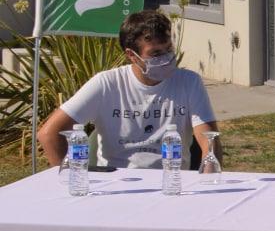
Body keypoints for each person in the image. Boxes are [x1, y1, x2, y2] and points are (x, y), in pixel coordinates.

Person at [37, 10, 220, 169]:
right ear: (131, 55)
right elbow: (49, 134)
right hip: (116, 184)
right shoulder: (106, 84)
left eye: (168, 50)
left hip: (170, 181)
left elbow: (210, 142)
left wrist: (207, 182)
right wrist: (71, 178)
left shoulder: (189, 82)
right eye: (155, 54)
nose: (165, 59)